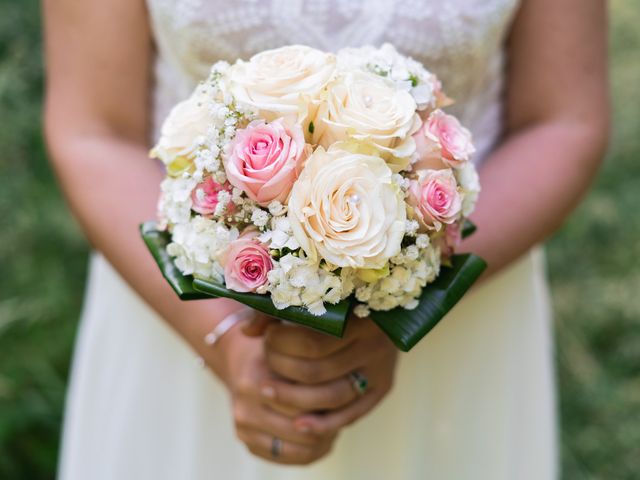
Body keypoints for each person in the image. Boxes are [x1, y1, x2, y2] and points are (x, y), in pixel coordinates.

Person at [43, 0, 609, 478]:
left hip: (452, 319)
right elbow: (94, 132)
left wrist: (408, 303)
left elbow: (562, 120)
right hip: (184, 316)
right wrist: (227, 341)